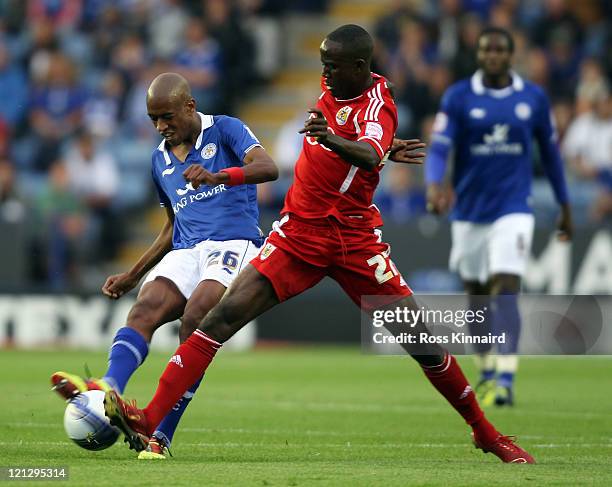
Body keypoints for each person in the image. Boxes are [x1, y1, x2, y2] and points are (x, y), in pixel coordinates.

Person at [103, 25, 535, 464]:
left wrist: (357, 143)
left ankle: (485, 431)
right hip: (298, 235)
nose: (324, 73)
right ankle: (151, 419)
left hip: (353, 241)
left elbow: (364, 150)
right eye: (323, 64)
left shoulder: (378, 104)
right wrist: (379, 147)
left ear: (359, 67)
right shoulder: (337, 93)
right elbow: (361, 151)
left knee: (420, 340)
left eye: (332, 66)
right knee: (217, 320)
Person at [50, 72, 279, 459]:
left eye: (168, 117)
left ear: (190, 105)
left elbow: (268, 167)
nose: (162, 127)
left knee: (195, 320)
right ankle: (108, 387)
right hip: (187, 249)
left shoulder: (225, 129)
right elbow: (172, 226)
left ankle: (161, 434)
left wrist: (218, 175)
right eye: (154, 119)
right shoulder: (159, 158)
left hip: (233, 242)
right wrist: (133, 274)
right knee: (143, 308)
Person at [424, 27, 572, 407]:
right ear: (478, 55)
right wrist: (433, 184)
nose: (492, 55)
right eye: (486, 49)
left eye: (500, 50)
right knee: (475, 294)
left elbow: (552, 156)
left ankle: (506, 375)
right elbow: (440, 148)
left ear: (511, 55)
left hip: (514, 208)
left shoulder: (532, 98)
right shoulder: (459, 96)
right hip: (470, 211)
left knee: (506, 285)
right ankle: (487, 369)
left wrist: (565, 204)